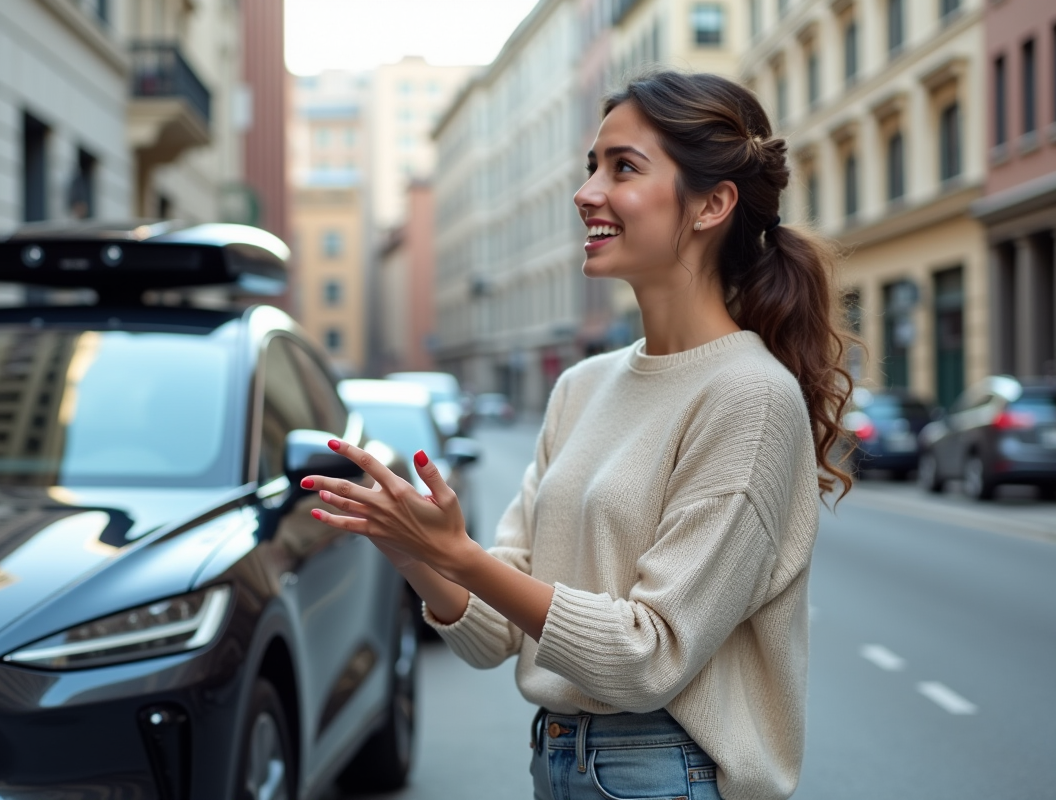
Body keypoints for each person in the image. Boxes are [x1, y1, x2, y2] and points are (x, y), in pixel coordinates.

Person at [300, 69, 855, 800]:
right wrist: (413, 549)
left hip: (671, 772)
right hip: (560, 758)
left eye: (623, 167)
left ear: (712, 204)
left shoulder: (750, 396)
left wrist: (461, 556)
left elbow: (648, 657)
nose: (586, 192)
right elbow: (495, 635)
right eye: (593, 166)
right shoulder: (580, 387)